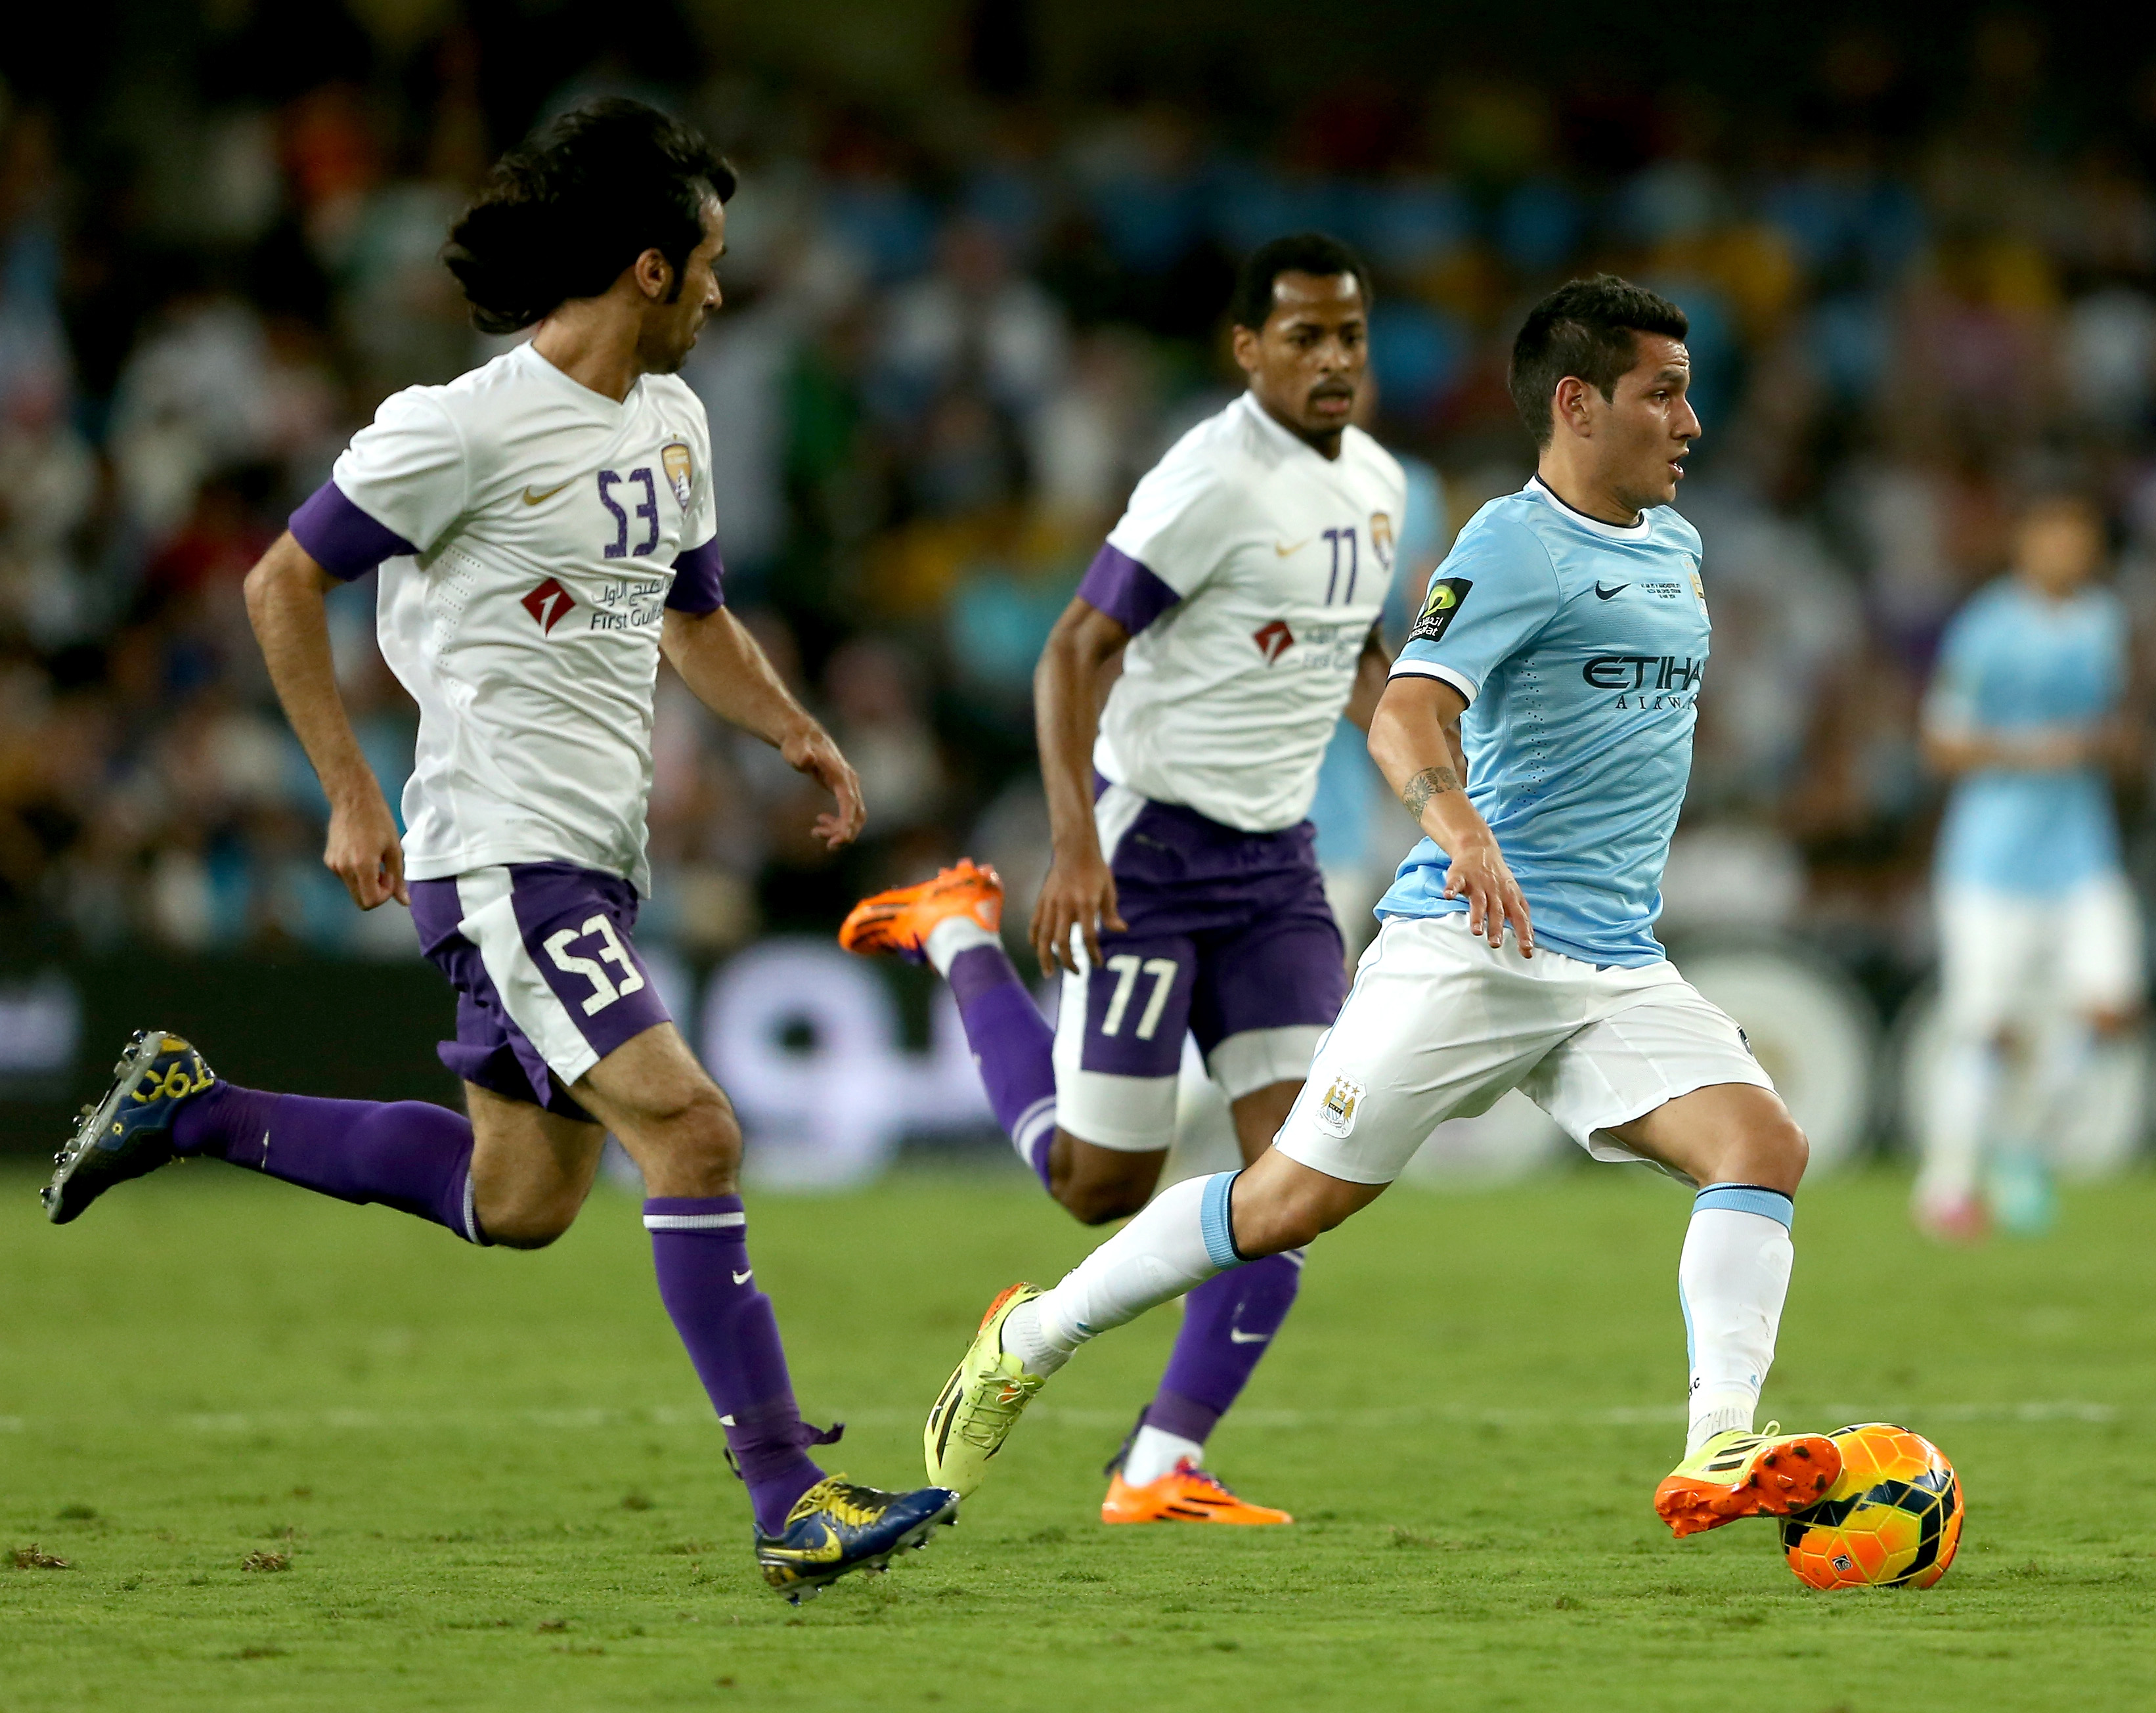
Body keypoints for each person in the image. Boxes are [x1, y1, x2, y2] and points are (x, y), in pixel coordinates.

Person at [35, 100, 955, 1598]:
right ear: (650, 269)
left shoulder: (673, 423)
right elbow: (281, 582)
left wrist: (792, 728)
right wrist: (351, 792)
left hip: (596, 858)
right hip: (503, 857)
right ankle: (790, 1493)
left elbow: (694, 616)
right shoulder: (455, 427)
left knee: (517, 1200)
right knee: (695, 1129)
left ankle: (190, 1110)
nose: (723, 292)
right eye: (711, 262)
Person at [915, 275, 1843, 1541]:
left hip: (1613, 963)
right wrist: (1461, 827)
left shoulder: (1674, 548)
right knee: (1283, 1204)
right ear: (1578, 403)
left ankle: (1721, 1444)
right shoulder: (1512, 544)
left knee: (1762, 1145)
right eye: (1663, 395)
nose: (1690, 422)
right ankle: (1028, 1338)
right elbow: (1407, 707)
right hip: (1470, 950)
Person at [839, 234, 1405, 1526]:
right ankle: (957, 935)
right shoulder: (1206, 480)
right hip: (1151, 850)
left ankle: (1159, 1460)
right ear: (1249, 349)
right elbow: (1073, 649)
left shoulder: (1374, 483)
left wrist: (1438, 786)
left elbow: (1357, 652)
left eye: (1351, 336)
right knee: (1098, 1186)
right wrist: (1076, 846)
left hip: (1274, 865)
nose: (1333, 359)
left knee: (1297, 1178)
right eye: (1305, 336)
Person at [1914, 491, 2142, 1241]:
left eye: (2081, 539)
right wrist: (2031, 751)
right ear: (2026, 544)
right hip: (1991, 860)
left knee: (2110, 1009)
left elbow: (2123, 725)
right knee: (1985, 1026)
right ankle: (1947, 1183)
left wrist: (2113, 744)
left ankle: (2024, 1144)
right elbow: (1941, 743)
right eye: (2056, 538)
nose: (2069, 553)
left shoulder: (2104, 622)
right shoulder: (1987, 629)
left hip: (2082, 851)